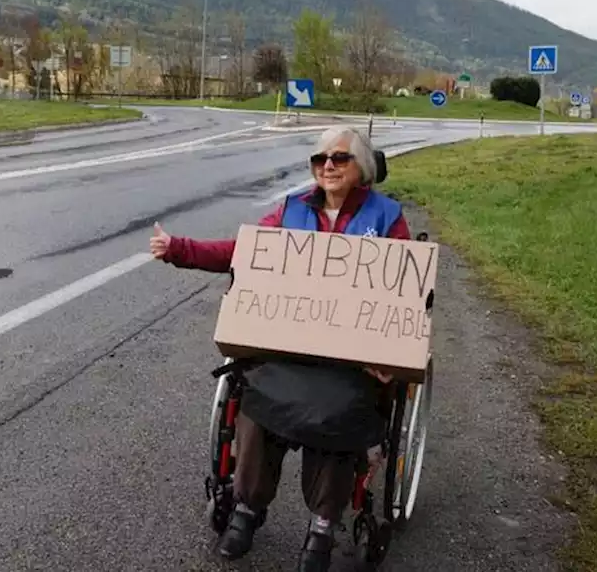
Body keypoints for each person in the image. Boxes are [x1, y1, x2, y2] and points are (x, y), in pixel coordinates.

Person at [150, 125, 413, 572]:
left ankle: (324, 524)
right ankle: (248, 506)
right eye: (319, 158)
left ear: (361, 167)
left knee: (339, 410)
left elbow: (406, 291)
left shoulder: (386, 218)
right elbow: (244, 252)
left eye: (339, 157)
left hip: (348, 363)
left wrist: (392, 358)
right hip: (290, 353)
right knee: (256, 397)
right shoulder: (292, 211)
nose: (327, 165)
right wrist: (180, 249)